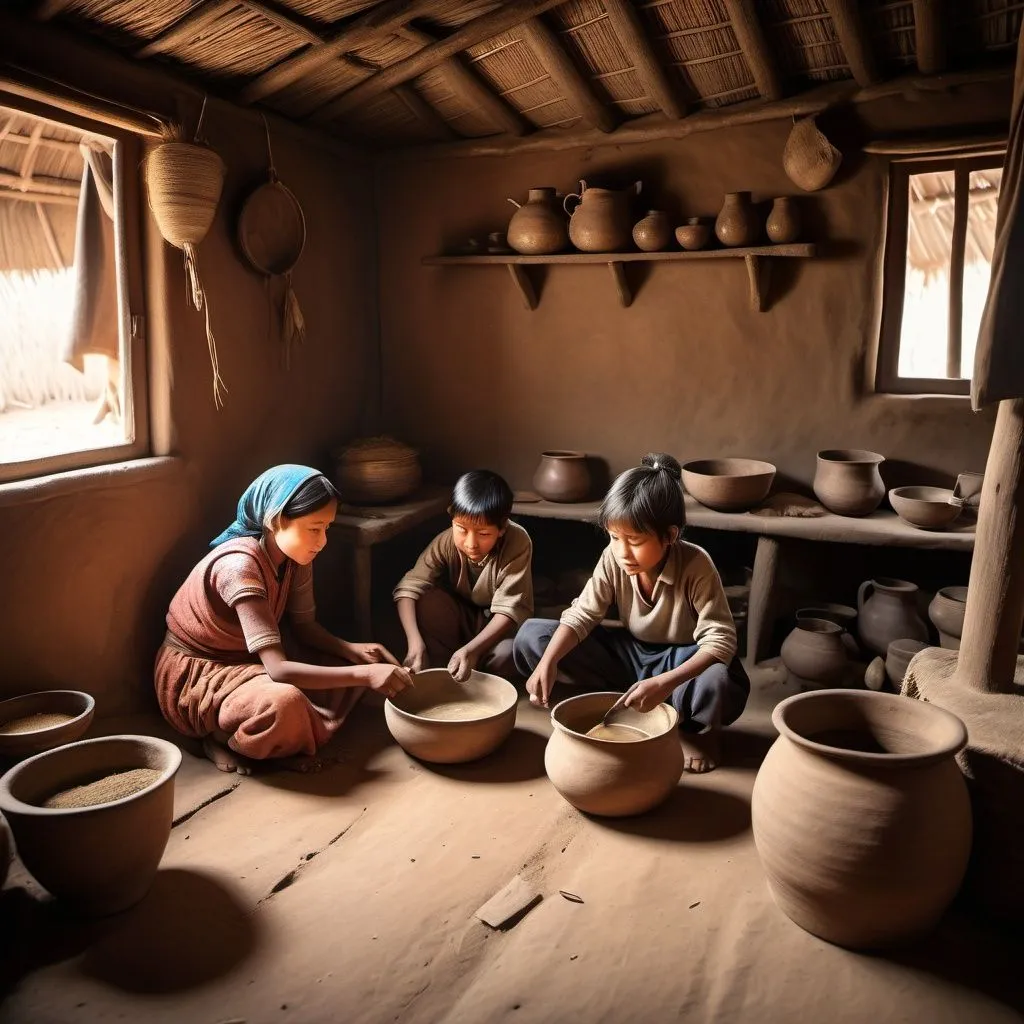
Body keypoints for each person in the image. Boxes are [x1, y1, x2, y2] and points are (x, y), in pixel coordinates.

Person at [155, 464, 411, 774]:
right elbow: (277, 669)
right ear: (276, 521)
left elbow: (305, 628)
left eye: (327, 528)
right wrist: (366, 674)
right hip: (199, 674)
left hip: (250, 660)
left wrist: (352, 650)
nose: (322, 541)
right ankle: (220, 737)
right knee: (285, 705)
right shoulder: (239, 567)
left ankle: (274, 729)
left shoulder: (295, 557)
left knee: (344, 668)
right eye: (314, 528)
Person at [513, 453, 749, 772]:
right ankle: (616, 703)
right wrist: (548, 662)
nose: (623, 552)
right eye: (614, 537)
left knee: (717, 680)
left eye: (635, 540)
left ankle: (697, 732)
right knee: (534, 636)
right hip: (631, 654)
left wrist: (666, 682)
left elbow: (720, 641)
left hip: (680, 660)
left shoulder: (696, 564)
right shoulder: (615, 556)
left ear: (670, 535)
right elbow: (582, 614)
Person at [394, 470, 533, 681]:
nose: (471, 543)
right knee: (427, 600)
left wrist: (472, 650)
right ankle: (449, 664)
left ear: (502, 527)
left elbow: (510, 609)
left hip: (497, 629)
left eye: (484, 534)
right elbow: (408, 587)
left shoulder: (518, 541)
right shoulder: (446, 541)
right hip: (463, 619)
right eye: (461, 529)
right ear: (451, 516)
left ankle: (471, 662)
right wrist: (415, 644)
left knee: (508, 656)